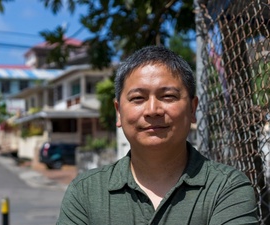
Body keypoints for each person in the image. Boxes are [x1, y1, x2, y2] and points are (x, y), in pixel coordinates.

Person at [56, 46, 258, 224]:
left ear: (193, 109)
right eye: (138, 98)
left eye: (168, 96)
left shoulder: (227, 188)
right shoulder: (85, 192)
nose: (153, 110)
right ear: (119, 112)